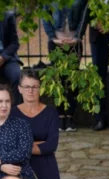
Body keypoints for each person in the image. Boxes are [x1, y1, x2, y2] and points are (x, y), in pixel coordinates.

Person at [10, 70, 60, 179]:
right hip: (21, 168)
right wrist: (39, 144)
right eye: (26, 86)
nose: (30, 90)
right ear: (19, 89)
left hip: (47, 168)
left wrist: (22, 146)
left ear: (40, 88)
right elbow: (9, 145)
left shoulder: (50, 112)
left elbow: (51, 145)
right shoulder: (12, 114)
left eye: (34, 87)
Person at [42, 0, 87, 132]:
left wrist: (77, 37)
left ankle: (70, 117)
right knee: (58, 81)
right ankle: (60, 116)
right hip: (56, 43)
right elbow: (45, 16)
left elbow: (84, 17)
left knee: (73, 81)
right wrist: (53, 38)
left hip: (74, 43)